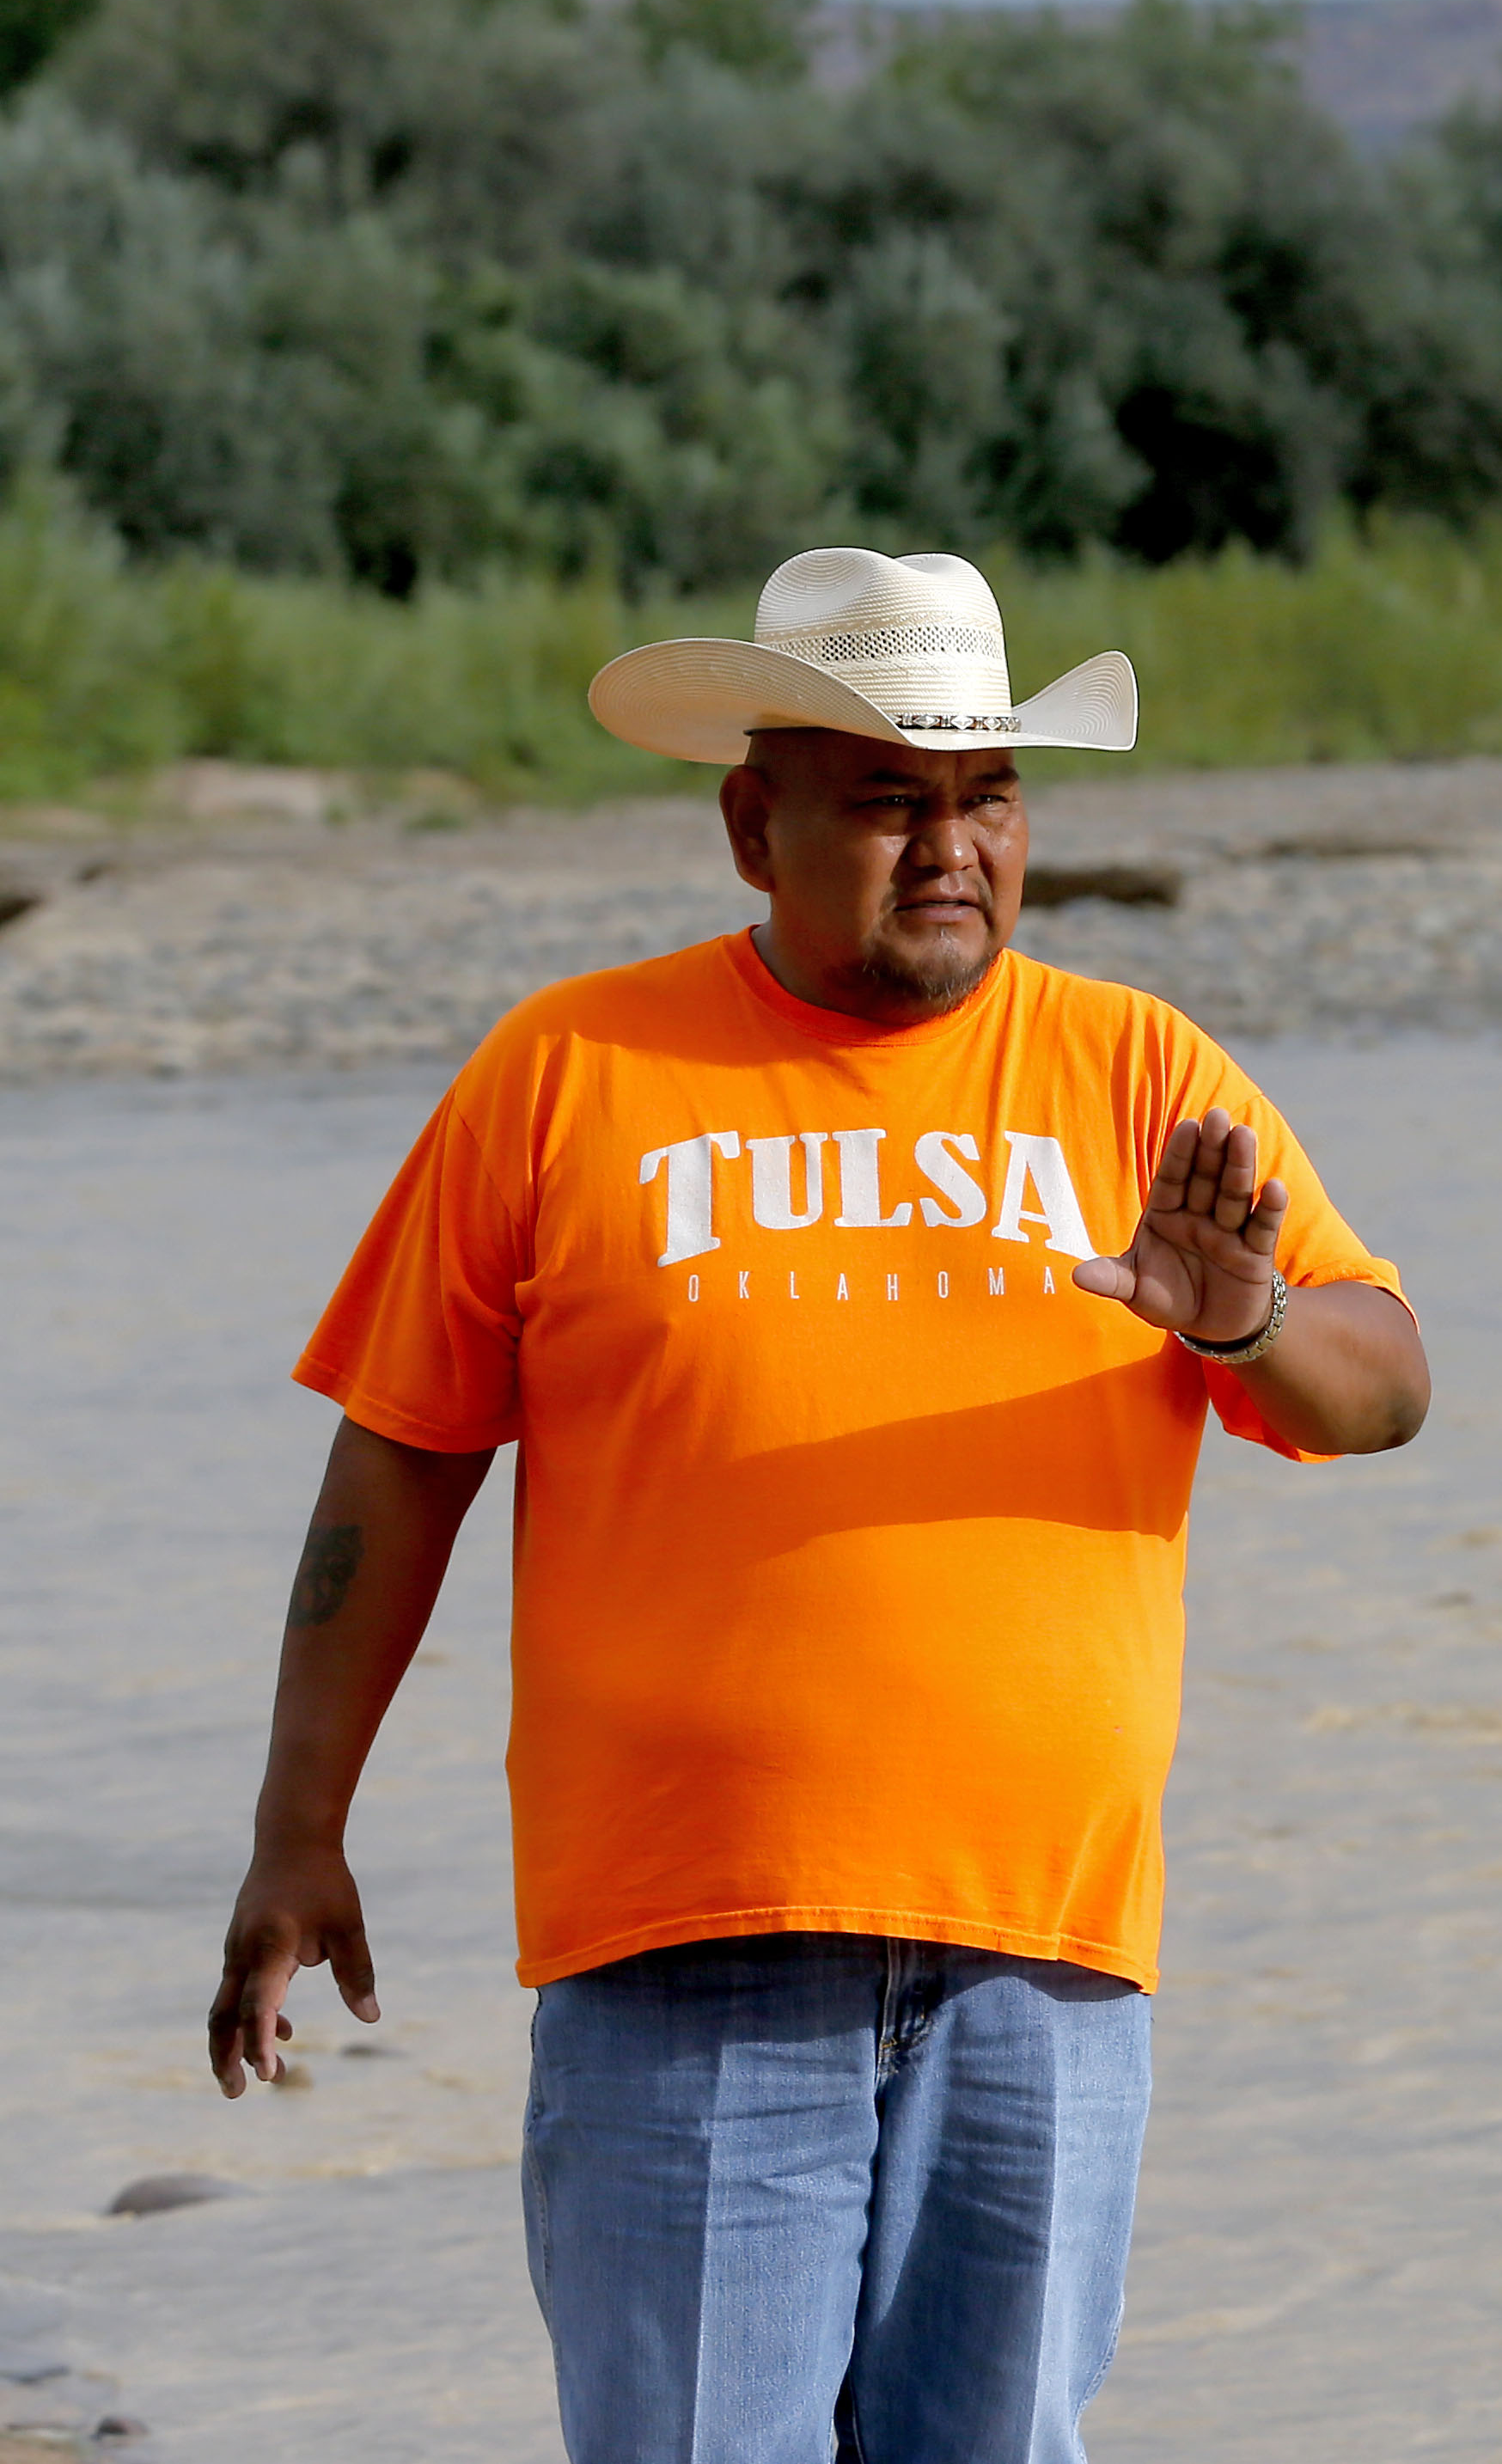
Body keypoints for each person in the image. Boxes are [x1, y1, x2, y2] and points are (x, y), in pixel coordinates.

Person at [203, 547, 1430, 2462]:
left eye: (985, 797)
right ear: (748, 822)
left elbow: (1385, 1386)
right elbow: (400, 1458)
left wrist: (1245, 1320)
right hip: (685, 1960)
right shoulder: (568, 1073)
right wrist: (299, 1832)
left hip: (1042, 1957)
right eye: (887, 801)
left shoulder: (1134, 1078)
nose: (951, 845)